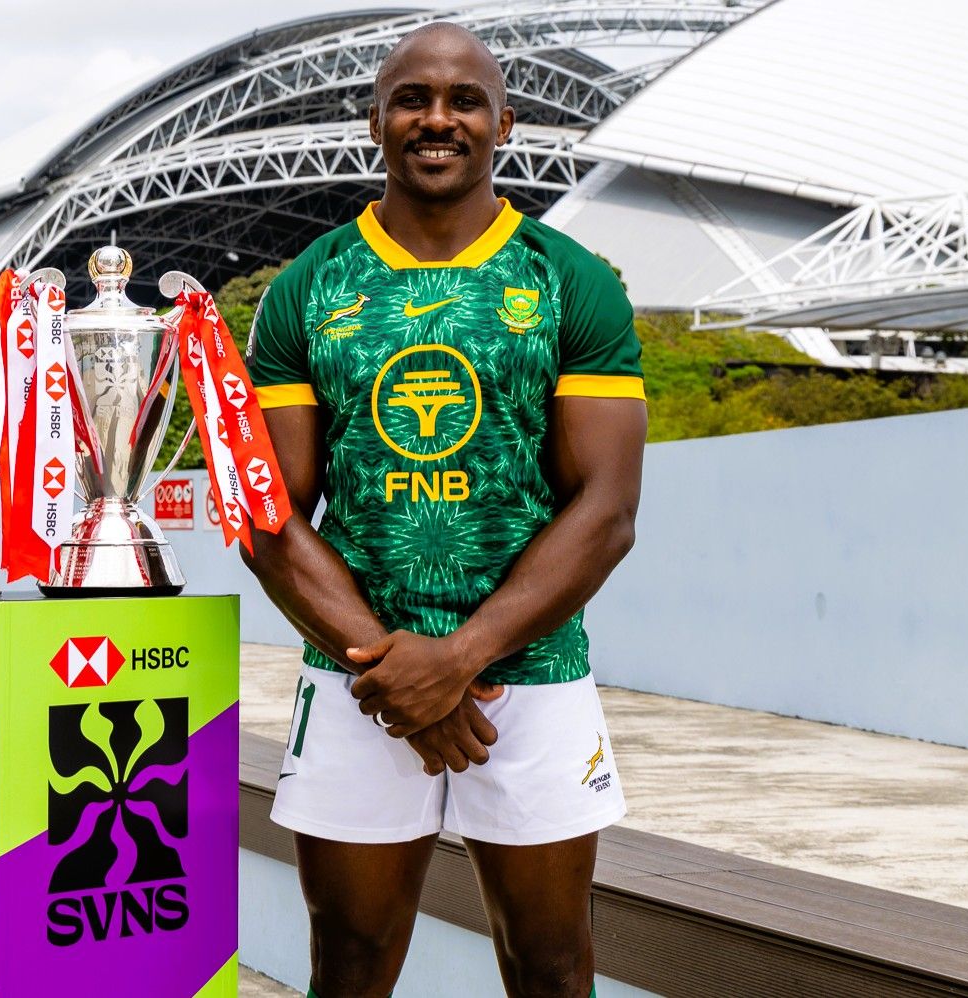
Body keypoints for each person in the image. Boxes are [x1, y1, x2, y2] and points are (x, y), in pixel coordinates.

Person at [242, 20, 647, 998]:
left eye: (464, 100)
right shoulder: (307, 288)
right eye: (411, 99)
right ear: (373, 120)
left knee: (551, 964)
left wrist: (456, 659)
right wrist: (395, 671)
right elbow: (268, 515)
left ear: (502, 123)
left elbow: (605, 509)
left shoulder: (568, 280)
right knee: (348, 959)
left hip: (530, 673)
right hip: (359, 677)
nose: (437, 118)